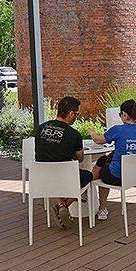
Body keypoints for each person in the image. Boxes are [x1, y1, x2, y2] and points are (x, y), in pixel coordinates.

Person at [90, 99, 136, 221]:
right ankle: (91, 198)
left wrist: (92, 132)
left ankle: (98, 204)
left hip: (116, 177)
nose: (120, 116)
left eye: (120, 114)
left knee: (101, 165)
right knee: (104, 160)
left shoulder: (118, 129)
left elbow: (98, 140)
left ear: (125, 115)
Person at [34, 96, 87, 229]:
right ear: (71, 114)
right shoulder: (74, 134)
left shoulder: (40, 128)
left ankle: (61, 203)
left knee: (57, 173)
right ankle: (63, 205)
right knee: (89, 175)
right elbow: (80, 158)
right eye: (77, 114)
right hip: (65, 179)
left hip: (42, 178)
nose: (77, 117)